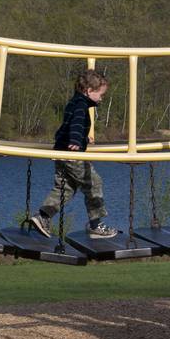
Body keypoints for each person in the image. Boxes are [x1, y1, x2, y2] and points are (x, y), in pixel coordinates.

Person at [30, 69, 118, 239]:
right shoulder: (80, 105)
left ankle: (43, 216)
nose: (102, 98)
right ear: (89, 91)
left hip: (61, 151)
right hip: (71, 153)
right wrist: (77, 141)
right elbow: (77, 123)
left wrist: (83, 138)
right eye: (101, 94)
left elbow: (70, 124)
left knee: (65, 188)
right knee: (94, 183)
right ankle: (95, 225)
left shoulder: (74, 102)